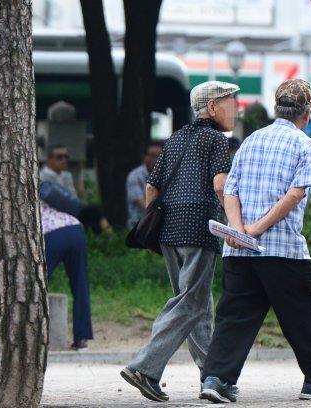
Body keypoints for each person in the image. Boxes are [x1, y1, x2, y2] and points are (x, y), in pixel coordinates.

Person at [199, 79, 311, 403]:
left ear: (276, 108)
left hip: (238, 249)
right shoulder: (304, 144)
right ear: (307, 112)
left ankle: (216, 379)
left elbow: (230, 189)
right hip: (282, 248)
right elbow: (296, 194)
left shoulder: (251, 140)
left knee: (235, 315)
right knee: (303, 314)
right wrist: (256, 229)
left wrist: (239, 229)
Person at [120, 81, 238, 402]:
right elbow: (220, 185)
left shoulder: (173, 140)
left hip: (169, 230)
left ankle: (211, 375)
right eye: (230, 102)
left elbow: (151, 189)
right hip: (199, 227)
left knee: (196, 304)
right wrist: (235, 225)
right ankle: (145, 367)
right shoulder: (215, 139)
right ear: (212, 108)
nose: (235, 108)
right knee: (190, 303)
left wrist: (152, 230)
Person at [41, 200, 93, 351]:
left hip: (52, 233)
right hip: (76, 229)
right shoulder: (48, 195)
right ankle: (81, 339)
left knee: (38, 283)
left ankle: (31, 334)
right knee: (80, 284)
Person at [40, 144, 111, 234]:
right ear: (49, 159)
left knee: (94, 213)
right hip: (53, 213)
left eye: (66, 157)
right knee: (94, 212)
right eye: (59, 157)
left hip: (72, 210)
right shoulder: (41, 176)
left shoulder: (67, 175)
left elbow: (73, 196)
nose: (64, 160)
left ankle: (104, 238)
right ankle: (107, 238)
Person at [125, 141, 163, 228]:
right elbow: (143, 205)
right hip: (138, 226)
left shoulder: (164, 176)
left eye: (154, 156)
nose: (149, 158)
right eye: (148, 154)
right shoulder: (135, 176)